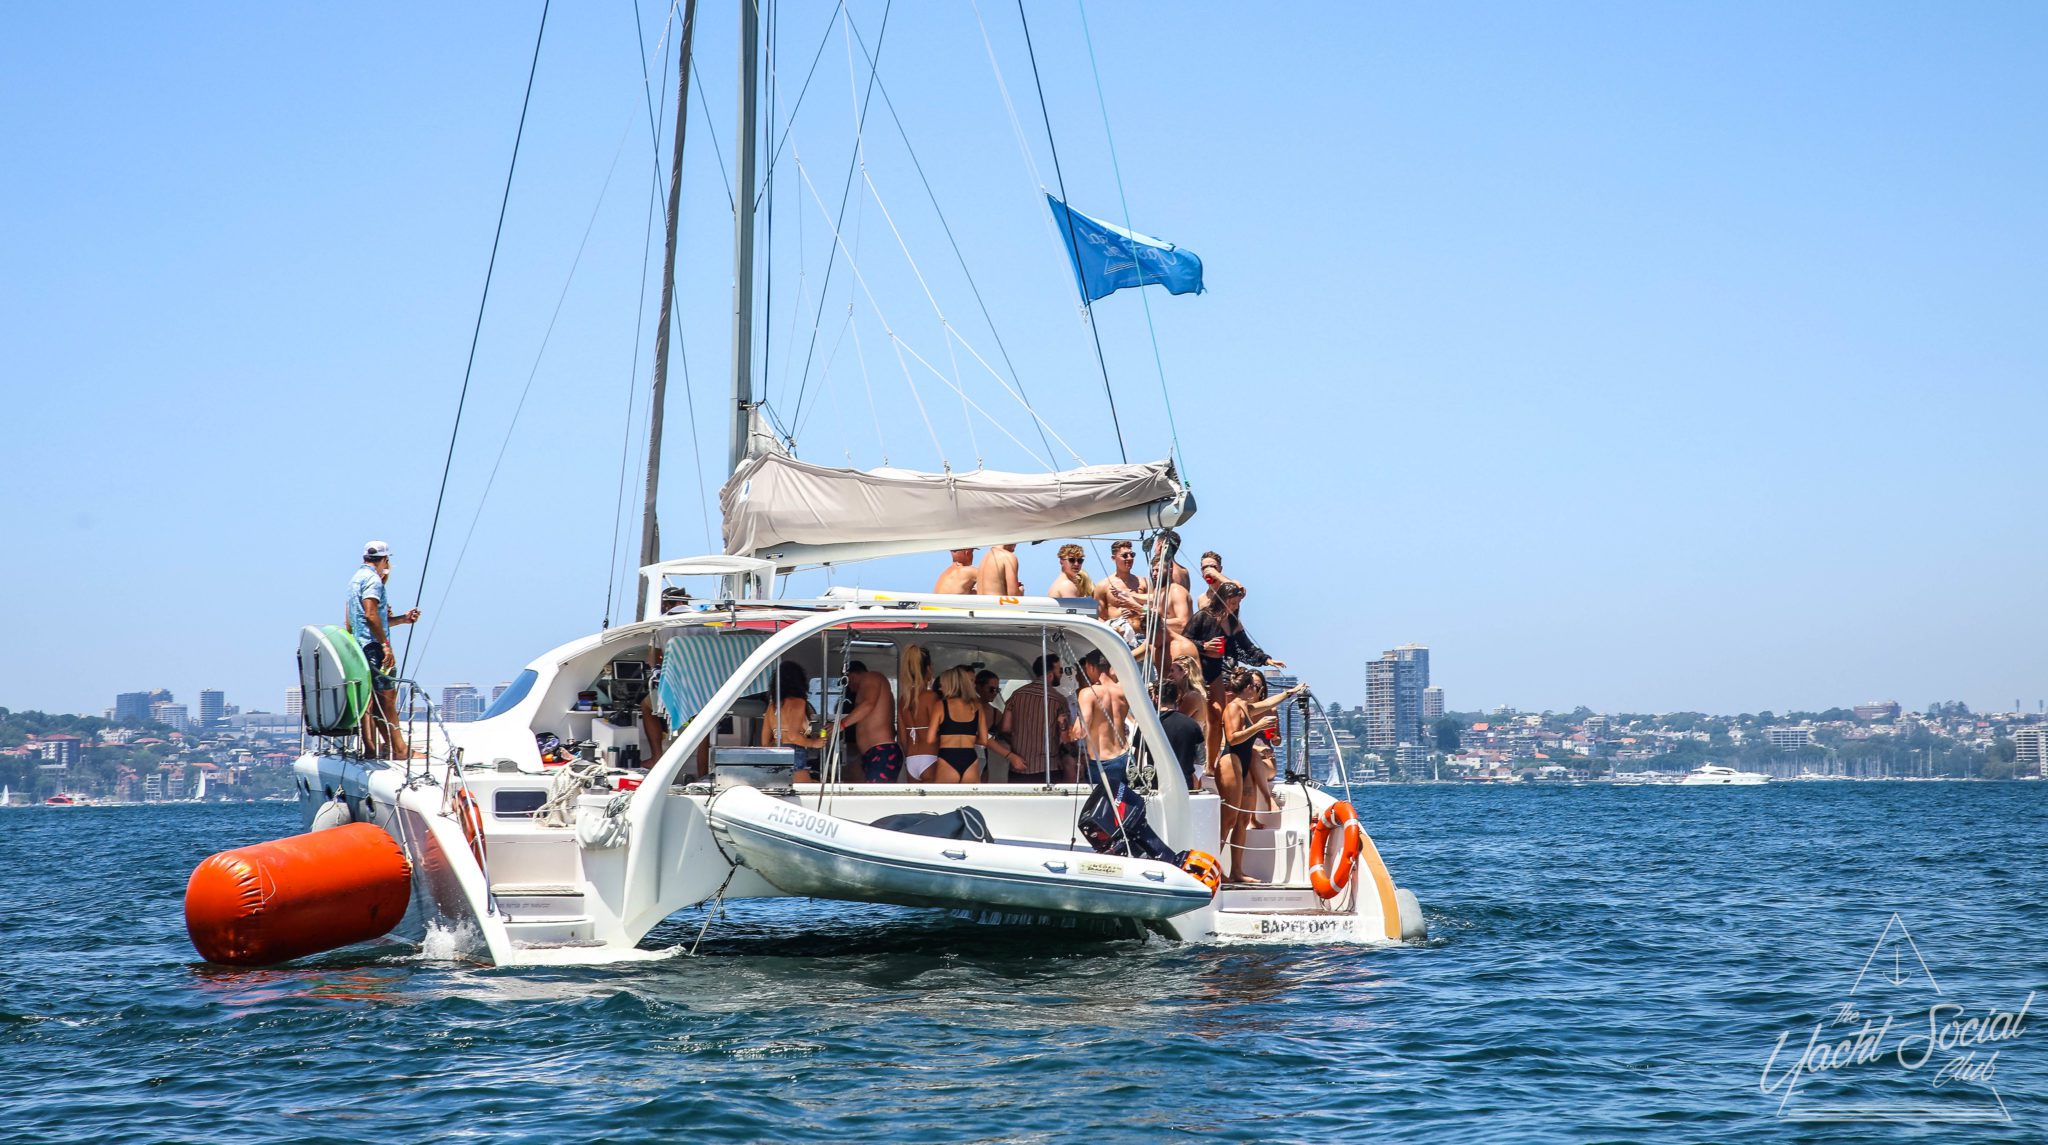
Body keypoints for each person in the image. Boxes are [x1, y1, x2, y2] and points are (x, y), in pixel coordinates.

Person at [1183, 580, 1284, 764]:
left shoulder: (1233, 621)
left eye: (1237, 603)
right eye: (1232, 602)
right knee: (1196, 714)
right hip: (1198, 670)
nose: (1234, 606)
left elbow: (1247, 645)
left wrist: (1266, 659)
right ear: (1222, 599)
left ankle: (1211, 764)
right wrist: (1204, 646)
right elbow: (1184, 640)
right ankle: (1192, 755)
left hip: (1217, 671)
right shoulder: (1203, 616)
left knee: (1216, 716)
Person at [346, 540, 421, 760]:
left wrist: (401, 620)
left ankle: (371, 749)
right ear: (385, 560)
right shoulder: (373, 581)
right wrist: (385, 646)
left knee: (369, 700)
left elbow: (352, 622)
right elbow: (370, 615)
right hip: (374, 648)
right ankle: (399, 750)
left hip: (360, 648)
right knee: (387, 698)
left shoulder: (354, 580)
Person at [1218, 669, 1278, 883]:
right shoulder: (1234, 706)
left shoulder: (1246, 706)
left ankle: (1237, 871)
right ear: (1248, 688)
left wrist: (1291, 693)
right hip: (1231, 761)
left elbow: (1268, 704)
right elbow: (1232, 739)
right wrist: (1259, 727)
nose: (1257, 689)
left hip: (1244, 763)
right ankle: (1215, 870)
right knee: (1228, 820)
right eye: (1254, 686)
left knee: (1243, 819)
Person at [999, 654, 1080, 784]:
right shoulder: (1058, 700)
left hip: (1018, 767)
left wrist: (1019, 745)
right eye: (1059, 670)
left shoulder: (1016, 695)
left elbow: (1005, 729)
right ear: (1050, 674)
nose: (1061, 674)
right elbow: (1065, 737)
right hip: (1048, 769)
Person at [933, 665, 1021, 783]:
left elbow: (1003, 735)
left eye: (997, 690)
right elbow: (986, 740)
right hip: (963, 757)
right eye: (991, 689)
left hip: (980, 760)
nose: (994, 693)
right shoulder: (967, 707)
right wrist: (1009, 755)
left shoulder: (994, 712)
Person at [759, 662, 828, 782]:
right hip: (794, 755)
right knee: (806, 795)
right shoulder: (798, 702)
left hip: (775, 756)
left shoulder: (772, 707)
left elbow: (765, 743)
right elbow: (793, 736)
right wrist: (814, 743)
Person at [838, 659, 900, 783]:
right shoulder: (868, 687)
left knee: (876, 798)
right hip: (874, 753)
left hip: (881, 752)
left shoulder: (871, 677)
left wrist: (842, 724)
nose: (849, 687)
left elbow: (868, 704)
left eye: (848, 682)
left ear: (851, 675)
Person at [1076, 649, 1131, 789]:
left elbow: (1080, 731)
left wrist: (1068, 728)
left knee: (1103, 807)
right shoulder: (1123, 690)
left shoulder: (1088, 693)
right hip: (1125, 757)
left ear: (1091, 667)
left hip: (1102, 762)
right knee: (1123, 805)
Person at [1092, 539, 1151, 644]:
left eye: (1132, 554)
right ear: (1114, 558)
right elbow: (1097, 617)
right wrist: (1116, 617)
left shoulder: (1144, 582)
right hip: (1118, 638)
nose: (1129, 558)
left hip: (1143, 636)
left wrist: (1137, 608)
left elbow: (1155, 607)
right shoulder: (1103, 586)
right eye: (1125, 556)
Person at [898, 645, 941, 782]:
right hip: (931, 756)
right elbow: (938, 731)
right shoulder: (931, 697)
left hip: (910, 758)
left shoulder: (903, 699)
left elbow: (902, 736)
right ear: (928, 668)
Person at [1156, 680, 1206, 790]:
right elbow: (1201, 759)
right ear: (1178, 697)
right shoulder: (1192, 725)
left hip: (1155, 784)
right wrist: (1196, 778)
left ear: (1156, 697)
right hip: (1184, 784)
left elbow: (1138, 756)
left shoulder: (1148, 724)